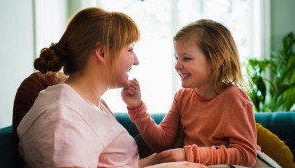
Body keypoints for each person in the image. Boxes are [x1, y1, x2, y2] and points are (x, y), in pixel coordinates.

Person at [17, 7, 204, 168]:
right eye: (130, 50)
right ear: (102, 53)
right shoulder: (62, 118)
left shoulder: (87, 102)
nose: (136, 61)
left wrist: (155, 161)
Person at [122, 19, 260, 167]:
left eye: (186, 58)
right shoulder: (182, 97)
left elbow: (246, 155)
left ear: (217, 60)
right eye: (177, 58)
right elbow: (162, 143)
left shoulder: (235, 99)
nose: (177, 65)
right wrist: (136, 108)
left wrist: (188, 155)